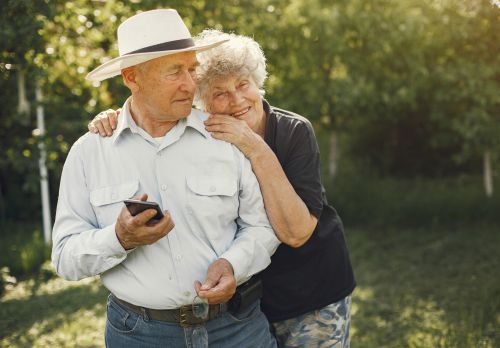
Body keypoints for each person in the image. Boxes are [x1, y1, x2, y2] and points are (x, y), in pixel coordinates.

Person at [90, 29, 356, 347]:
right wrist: (119, 117)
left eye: (243, 84)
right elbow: (152, 115)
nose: (237, 100)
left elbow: (297, 233)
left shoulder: (292, 131)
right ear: (201, 103)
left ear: (257, 82)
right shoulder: (206, 135)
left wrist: (254, 147)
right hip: (245, 306)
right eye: (220, 93)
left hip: (312, 294)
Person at [52, 10, 280, 348]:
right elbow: (64, 258)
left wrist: (233, 264)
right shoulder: (90, 153)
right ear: (132, 77)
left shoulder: (224, 137)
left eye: (191, 69)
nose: (191, 84)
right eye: (175, 71)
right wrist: (119, 238)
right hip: (140, 336)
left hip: (236, 329)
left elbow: (262, 226)